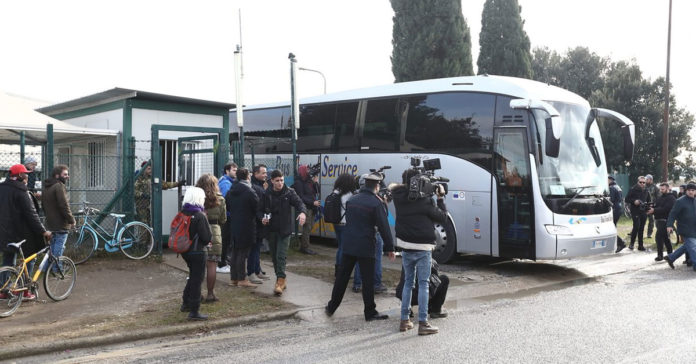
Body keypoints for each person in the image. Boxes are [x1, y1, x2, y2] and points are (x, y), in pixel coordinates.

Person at [325, 172, 395, 321]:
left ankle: (331, 307)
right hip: (366, 246)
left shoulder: (353, 199)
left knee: (342, 278)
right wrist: (390, 248)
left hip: (349, 244)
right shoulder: (376, 203)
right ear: (376, 186)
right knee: (368, 280)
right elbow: (384, 227)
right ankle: (370, 312)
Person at [391, 168, 447, 335]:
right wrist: (440, 197)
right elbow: (442, 217)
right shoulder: (426, 201)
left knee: (408, 283)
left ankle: (404, 320)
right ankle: (423, 323)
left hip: (406, 245)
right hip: (423, 247)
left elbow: (398, 188)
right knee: (423, 284)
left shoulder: (398, 196)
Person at [0, 164, 51, 300]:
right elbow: (31, 214)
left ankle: (3, 289)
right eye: (26, 174)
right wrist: (43, 231)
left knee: (8, 259)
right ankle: (24, 290)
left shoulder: (2, 188)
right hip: (21, 233)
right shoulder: (21, 191)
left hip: (4, 232)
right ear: (19, 177)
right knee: (29, 258)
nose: (28, 176)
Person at [261, 169, 307, 295]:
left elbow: (300, 203)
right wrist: (262, 218)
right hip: (271, 229)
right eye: (277, 181)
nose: (280, 183)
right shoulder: (267, 194)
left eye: (282, 180)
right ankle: (281, 279)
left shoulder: (289, 193)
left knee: (281, 256)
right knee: (275, 257)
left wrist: (302, 213)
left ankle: (280, 281)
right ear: (272, 181)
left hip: (285, 230)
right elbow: (259, 209)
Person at [178, 187, 212, 321]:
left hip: (185, 250)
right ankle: (194, 310)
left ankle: (185, 303)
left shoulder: (182, 213)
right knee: (197, 279)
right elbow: (206, 237)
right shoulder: (199, 216)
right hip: (198, 251)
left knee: (192, 276)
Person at [352, 174, 388, 294]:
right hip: (373, 233)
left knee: (359, 258)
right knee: (376, 259)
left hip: (358, 233)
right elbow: (383, 219)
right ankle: (376, 284)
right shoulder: (376, 200)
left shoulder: (355, 196)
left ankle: (357, 283)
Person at [225, 168, 259, 288]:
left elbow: (227, 206)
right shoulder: (250, 191)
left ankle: (233, 278)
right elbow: (257, 207)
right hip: (247, 225)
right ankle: (242, 279)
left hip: (234, 224)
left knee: (235, 252)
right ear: (248, 177)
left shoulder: (231, 191)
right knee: (243, 253)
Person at [195, 174, 226, 303]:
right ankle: (210, 293)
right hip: (214, 232)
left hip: (198, 233)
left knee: (197, 265)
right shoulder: (220, 199)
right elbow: (223, 219)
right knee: (212, 264)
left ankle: (196, 293)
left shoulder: (196, 198)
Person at [42, 165, 76, 259]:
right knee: (59, 247)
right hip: (61, 224)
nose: (67, 176)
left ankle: (48, 268)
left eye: (67, 174)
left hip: (50, 223)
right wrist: (71, 220)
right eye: (65, 174)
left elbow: (44, 206)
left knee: (52, 247)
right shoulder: (59, 186)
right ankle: (56, 268)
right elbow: (64, 205)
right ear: (57, 175)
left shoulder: (46, 187)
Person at [134, 161, 183, 226]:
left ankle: (150, 236)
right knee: (144, 224)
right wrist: (142, 194)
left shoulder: (153, 177)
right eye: (148, 169)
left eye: (151, 168)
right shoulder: (138, 178)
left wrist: (178, 184)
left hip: (151, 205)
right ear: (144, 169)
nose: (150, 170)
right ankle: (144, 236)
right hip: (142, 206)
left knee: (151, 224)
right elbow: (134, 191)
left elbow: (164, 185)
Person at [664, 183, 696, 272]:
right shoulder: (680, 201)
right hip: (685, 229)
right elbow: (673, 213)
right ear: (686, 191)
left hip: (694, 228)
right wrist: (669, 225)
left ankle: (671, 257)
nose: (691, 192)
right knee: (693, 247)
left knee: (688, 246)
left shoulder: (695, 200)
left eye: (693, 190)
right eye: (689, 190)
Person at [247, 164, 270, 284]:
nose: (265, 175)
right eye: (263, 173)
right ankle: (251, 272)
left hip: (259, 223)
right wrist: (261, 218)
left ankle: (257, 270)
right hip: (256, 223)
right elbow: (257, 207)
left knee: (257, 248)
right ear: (256, 174)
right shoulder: (256, 188)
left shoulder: (261, 186)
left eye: (266, 173)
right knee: (254, 249)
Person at [331, 173, 356, 279]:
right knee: (343, 248)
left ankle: (338, 270)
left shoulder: (335, 192)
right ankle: (342, 271)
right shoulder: (349, 195)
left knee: (340, 246)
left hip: (336, 223)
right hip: (345, 223)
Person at [293, 164, 320, 255]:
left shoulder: (308, 181)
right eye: (307, 170)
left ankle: (304, 246)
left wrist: (315, 182)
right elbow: (300, 196)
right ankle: (304, 247)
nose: (309, 172)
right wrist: (312, 202)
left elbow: (317, 191)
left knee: (310, 226)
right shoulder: (299, 182)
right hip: (306, 207)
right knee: (307, 227)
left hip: (312, 207)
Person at [647, 182, 676, 262]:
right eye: (660, 189)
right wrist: (651, 209)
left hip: (666, 221)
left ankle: (662, 256)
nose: (661, 190)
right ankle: (669, 255)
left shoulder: (671, 198)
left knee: (659, 237)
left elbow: (667, 209)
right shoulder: (660, 197)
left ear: (667, 188)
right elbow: (657, 206)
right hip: (659, 221)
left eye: (662, 189)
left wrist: (654, 210)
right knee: (665, 239)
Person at [217, 162, 237, 273]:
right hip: (227, 216)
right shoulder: (225, 183)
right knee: (225, 240)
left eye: (236, 169)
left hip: (228, 215)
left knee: (227, 240)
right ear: (227, 171)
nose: (235, 172)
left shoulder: (229, 182)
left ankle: (224, 260)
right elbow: (226, 200)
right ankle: (222, 263)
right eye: (233, 170)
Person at [625, 176, 649, 251]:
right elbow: (627, 199)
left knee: (641, 228)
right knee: (636, 226)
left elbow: (649, 200)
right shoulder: (633, 189)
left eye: (643, 182)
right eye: (640, 182)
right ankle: (631, 244)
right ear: (637, 182)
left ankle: (640, 245)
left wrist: (648, 207)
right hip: (635, 210)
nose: (642, 184)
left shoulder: (646, 190)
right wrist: (634, 201)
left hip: (643, 211)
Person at [608, 176, 626, 253]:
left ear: (610, 180)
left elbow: (610, 199)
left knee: (611, 227)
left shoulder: (611, 188)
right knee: (613, 226)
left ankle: (621, 243)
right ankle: (616, 244)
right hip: (618, 208)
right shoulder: (617, 186)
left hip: (614, 209)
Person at [644, 174, 658, 238]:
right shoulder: (643, 186)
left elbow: (658, 197)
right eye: (645, 179)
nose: (646, 180)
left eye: (647, 179)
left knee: (651, 220)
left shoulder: (655, 187)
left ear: (651, 180)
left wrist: (655, 205)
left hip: (651, 206)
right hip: (643, 206)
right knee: (640, 220)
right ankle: (635, 232)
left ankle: (649, 234)